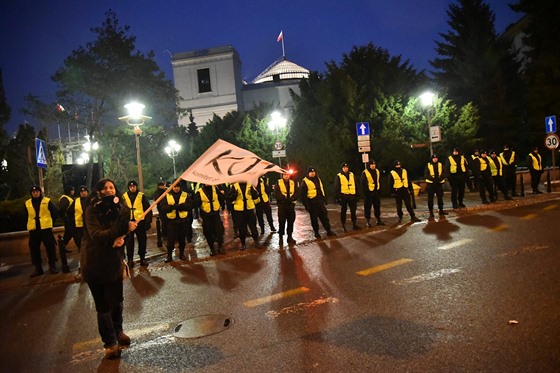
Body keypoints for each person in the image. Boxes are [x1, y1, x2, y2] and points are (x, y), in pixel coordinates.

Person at [81, 178, 137, 360]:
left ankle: (118, 331)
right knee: (103, 305)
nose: (110, 190)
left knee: (117, 301)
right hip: (95, 264)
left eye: (112, 187)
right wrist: (118, 233)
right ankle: (110, 343)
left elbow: (121, 234)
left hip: (114, 263)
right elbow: (96, 235)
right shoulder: (91, 210)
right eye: (105, 188)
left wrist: (125, 235)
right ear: (98, 191)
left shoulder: (119, 208)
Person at [25, 185, 59, 277]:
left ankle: (52, 266)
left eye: (37, 192)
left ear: (40, 192)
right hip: (34, 230)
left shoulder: (46, 201)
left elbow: (55, 212)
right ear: (31, 193)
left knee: (50, 248)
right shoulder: (27, 203)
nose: (35, 193)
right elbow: (25, 215)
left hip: (45, 229)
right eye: (33, 192)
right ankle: (38, 268)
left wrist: (50, 222)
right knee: (34, 249)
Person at [122, 180, 152, 268]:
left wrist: (148, 222)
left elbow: (147, 209)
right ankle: (130, 260)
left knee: (142, 241)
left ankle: (142, 258)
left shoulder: (141, 196)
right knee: (129, 242)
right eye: (130, 187)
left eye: (134, 186)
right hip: (129, 222)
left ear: (136, 187)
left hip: (140, 222)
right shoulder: (124, 196)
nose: (132, 188)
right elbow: (122, 210)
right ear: (128, 187)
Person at [300, 166, 336, 238]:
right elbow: (303, 195)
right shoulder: (305, 181)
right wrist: (307, 206)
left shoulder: (318, 179)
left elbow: (321, 189)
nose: (313, 173)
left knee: (324, 217)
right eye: (311, 172)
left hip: (320, 201)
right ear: (308, 173)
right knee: (314, 219)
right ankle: (316, 233)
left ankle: (328, 230)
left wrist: (325, 199)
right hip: (312, 203)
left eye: (313, 172)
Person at [162, 182, 192, 262]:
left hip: (182, 220)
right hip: (171, 221)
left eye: (177, 187)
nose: (176, 188)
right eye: (174, 187)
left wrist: (181, 206)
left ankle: (181, 254)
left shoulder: (185, 195)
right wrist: (170, 207)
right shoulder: (167, 195)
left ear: (180, 187)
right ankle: (169, 256)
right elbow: (163, 208)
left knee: (182, 239)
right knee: (170, 240)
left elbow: (190, 206)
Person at [227, 182, 261, 251]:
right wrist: (234, 195)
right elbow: (229, 198)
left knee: (253, 227)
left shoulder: (250, 184)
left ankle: (256, 242)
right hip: (239, 211)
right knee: (241, 228)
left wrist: (253, 192)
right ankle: (243, 244)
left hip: (249, 209)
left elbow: (256, 195)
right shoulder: (234, 186)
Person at [194, 183, 225, 255]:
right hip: (206, 216)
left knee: (219, 231)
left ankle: (220, 247)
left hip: (215, 214)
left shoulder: (215, 189)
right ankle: (212, 248)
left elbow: (221, 198)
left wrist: (222, 204)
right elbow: (196, 203)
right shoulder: (200, 191)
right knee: (208, 233)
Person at [333, 162, 360, 231]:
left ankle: (354, 224)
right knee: (343, 212)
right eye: (344, 168)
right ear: (342, 168)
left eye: (346, 167)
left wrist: (357, 195)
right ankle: (343, 225)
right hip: (344, 196)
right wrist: (338, 197)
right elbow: (337, 187)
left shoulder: (352, 175)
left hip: (352, 195)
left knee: (353, 211)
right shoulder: (339, 176)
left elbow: (356, 184)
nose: (345, 169)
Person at [274, 171, 298, 245]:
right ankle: (281, 237)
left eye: (287, 174)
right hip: (282, 205)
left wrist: (293, 198)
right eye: (285, 174)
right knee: (282, 222)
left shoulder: (293, 182)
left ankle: (289, 237)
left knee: (291, 222)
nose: (286, 176)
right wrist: (283, 198)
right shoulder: (278, 182)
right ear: (282, 175)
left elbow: (297, 192)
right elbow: (276, 193)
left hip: (291, 205)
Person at [360, 160, 384, 227]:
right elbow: (363, 184)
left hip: (376, 192)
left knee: (377, 207)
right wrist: (364, 194)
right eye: (372, 164)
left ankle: (378, 219)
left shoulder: (377, 171)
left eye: (374, 164)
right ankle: (368, 221)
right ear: (369, 165)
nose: (373, 165)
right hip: (368, 193)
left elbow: (379, 181)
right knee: (367, 208)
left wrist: (379, 191)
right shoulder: (365, 173)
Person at [67, 185, 89, 252]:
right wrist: (73, 220)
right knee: (80, 239)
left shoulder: (91, 200)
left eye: (85, 191)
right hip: (80, 225)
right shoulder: (76, 201)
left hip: (89, 224)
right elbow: (69, 211)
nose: (83, 193)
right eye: (81, 192)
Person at [58, 185, 75, 253]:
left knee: (68, 235)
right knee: (75, 235)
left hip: (70, 220)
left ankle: (62, 247)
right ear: (69, 191)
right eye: (72, 190)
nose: (74, 191)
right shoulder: (65, 198)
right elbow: (62, 209)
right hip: (69, 220)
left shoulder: (67, 198)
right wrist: (65, 217)